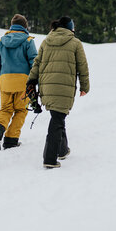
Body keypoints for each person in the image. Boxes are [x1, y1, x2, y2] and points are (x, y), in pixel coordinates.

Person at [27, 16, 90, 169]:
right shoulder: (75, 43)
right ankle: (49, 158)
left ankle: (62, 150)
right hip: (63, 87)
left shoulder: (46, 41)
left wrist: (31, 81)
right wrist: (84, 87)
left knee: (58, 116)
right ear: (70, 28)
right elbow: (83, 66)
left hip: (47, 87)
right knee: (57, 120)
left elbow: (37, 63)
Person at [0, 14, 38, 151]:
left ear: (12, 26)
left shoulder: (0, 42)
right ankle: (11, 140)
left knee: (5, 109)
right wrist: (35, 81)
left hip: (4, 81)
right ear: (25, 26)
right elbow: (34, 62)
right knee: (21, 110)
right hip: (23, 82)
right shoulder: (28, 41)